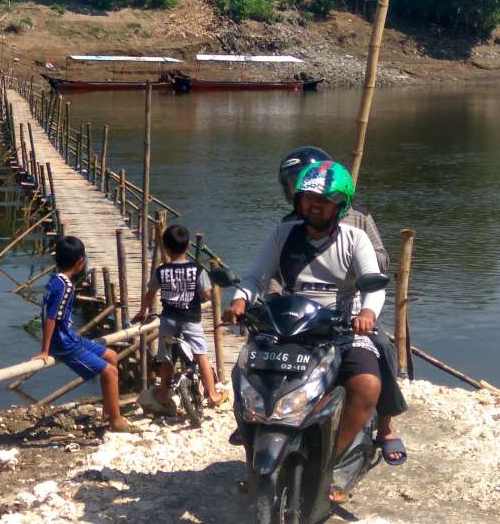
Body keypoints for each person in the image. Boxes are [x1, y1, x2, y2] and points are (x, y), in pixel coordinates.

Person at [224, 161, 385, 500]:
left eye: (324, 200)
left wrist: (368, 311)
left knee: (368, 385)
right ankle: (253, 441)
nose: (314, 205)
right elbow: (255, 276)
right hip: (289, 326)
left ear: (339, 205)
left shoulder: (355, 239)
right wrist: (240, 299)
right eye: (308, 197)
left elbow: (374, 285)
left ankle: (336, 465)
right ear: (298, 201)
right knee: (244, 371)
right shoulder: (283, 234)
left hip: (339, 329)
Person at [276, 147, 407, 465]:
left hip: (355, 301)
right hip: (304, 310)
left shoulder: (358, 217)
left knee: (381, 347)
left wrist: (352, 256)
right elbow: (275, 274)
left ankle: (386, 425)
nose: (299, 191)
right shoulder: (290, 224)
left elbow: (381, 260)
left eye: (301, 181)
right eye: (293, 185)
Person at [31, 236, 133, 432]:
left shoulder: (55, 280)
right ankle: (116, 421)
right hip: (63, 343)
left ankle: (108, 410)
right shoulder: (66, 287)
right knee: (110, 372)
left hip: (69, 336)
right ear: (80, 262)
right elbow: (51, 318)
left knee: (111, 355)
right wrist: (45, 350)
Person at [134, 224, 229, 411]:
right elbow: (208, 294)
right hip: (191, 320)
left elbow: (150, 293)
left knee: (167, 357)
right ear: (188, 246)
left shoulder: (161, 271)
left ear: (166, 248)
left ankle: (162, 394)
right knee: (200, 354)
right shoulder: (198, 270)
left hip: (168, 320)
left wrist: (142, 311)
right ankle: (212, 394)